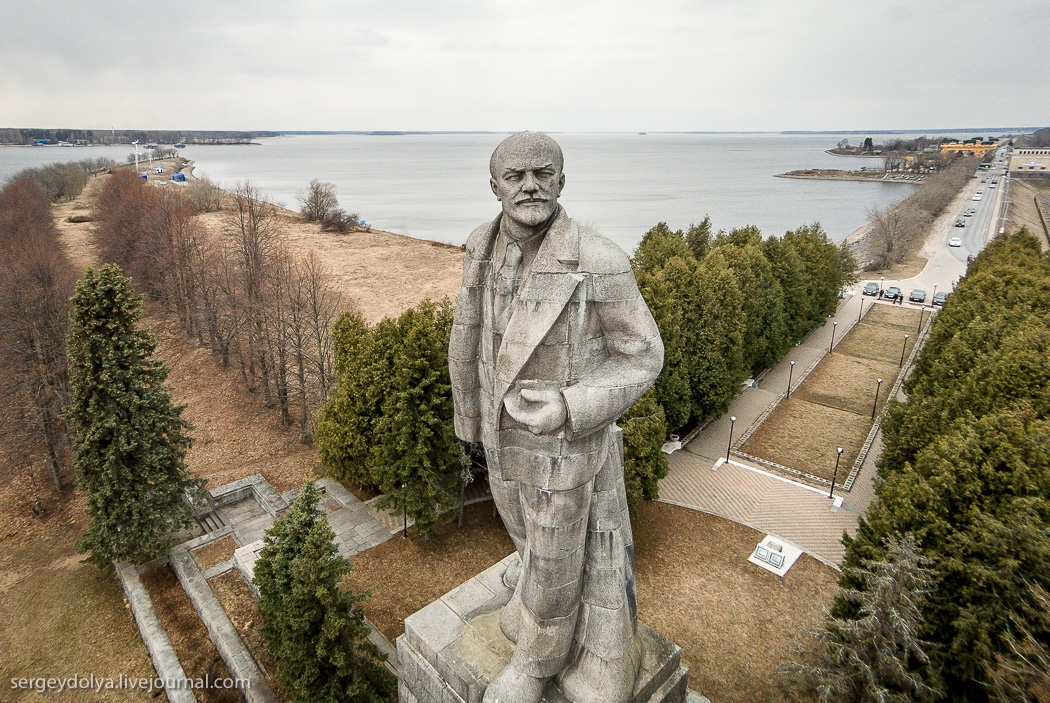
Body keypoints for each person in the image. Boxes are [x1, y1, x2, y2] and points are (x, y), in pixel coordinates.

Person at [449, 132, 664, 703]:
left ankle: (535, 664)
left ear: (562, 182)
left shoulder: (599, 260)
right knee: (522, 533)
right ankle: (536, 608)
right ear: (494, 187)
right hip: (500, 437)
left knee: (555, 559)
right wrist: (469, 417)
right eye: (515, 176)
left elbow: (643, 355)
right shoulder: (478, 243)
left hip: (564, 449)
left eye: (543, 173)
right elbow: (468, 334)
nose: (530, 185)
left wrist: (571, 407)